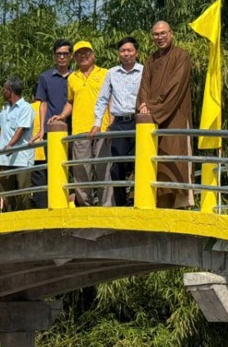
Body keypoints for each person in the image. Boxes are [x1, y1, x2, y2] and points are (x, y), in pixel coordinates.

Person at [137, 21, 193, 209]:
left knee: (174, 164)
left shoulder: (181, 56)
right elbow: (144, 87)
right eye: (156, 34)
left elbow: (175, 87)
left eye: (163, 33)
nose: (159, 37)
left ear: (171, 33)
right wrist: (143, 105)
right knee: (154, 165)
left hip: (174, 116)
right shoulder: (150, 60)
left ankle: (179, 209)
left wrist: (151, 107)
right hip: (152, 120)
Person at [50, 40, 109, 206]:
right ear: (74, 58)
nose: (83, 56)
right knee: (81, 170)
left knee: (104, 168)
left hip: (101, 127)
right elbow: (71, 101)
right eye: (79, 54)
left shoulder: (105, 73)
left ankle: (106, 206)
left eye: (86, 53)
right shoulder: (72, 78)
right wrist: (62, 115)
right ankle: (85, 206)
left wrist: (110, 122)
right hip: (80, 129)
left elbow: (111, 98)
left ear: (93, 55)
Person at [91, 37, 143, 206]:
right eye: (122, 51)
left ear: (136, 52)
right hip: (119, 123)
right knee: (116, 166)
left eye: (129, 50)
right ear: (118, 54)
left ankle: (139, 201)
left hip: (139, 121)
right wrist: (97, 123)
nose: (126, 54)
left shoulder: (144, 71)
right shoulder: (112, 73)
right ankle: (121, 204)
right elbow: (102, 99)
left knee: (139, 162)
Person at [31, 39, 72, 208]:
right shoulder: (45, 77)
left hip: (75, 128)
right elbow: (43, 103)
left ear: (71, 56)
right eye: (58, 54)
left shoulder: (76, 76)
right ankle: (56, 204)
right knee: (54, 168)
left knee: (75, 167)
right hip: (52, 131)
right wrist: (42, 129)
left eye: (65, 54)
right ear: (54, 56)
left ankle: (74, 205)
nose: (62, 57)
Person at [0, 76, 35, 212]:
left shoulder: (26, 108)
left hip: (21, 159)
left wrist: (10, 146)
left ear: (10, 91)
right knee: (7, 196)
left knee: (22, 196)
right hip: (5, 159)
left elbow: (20, 130)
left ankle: (25, 221)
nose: (2, 92)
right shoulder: (5, 109)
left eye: (4, 89)